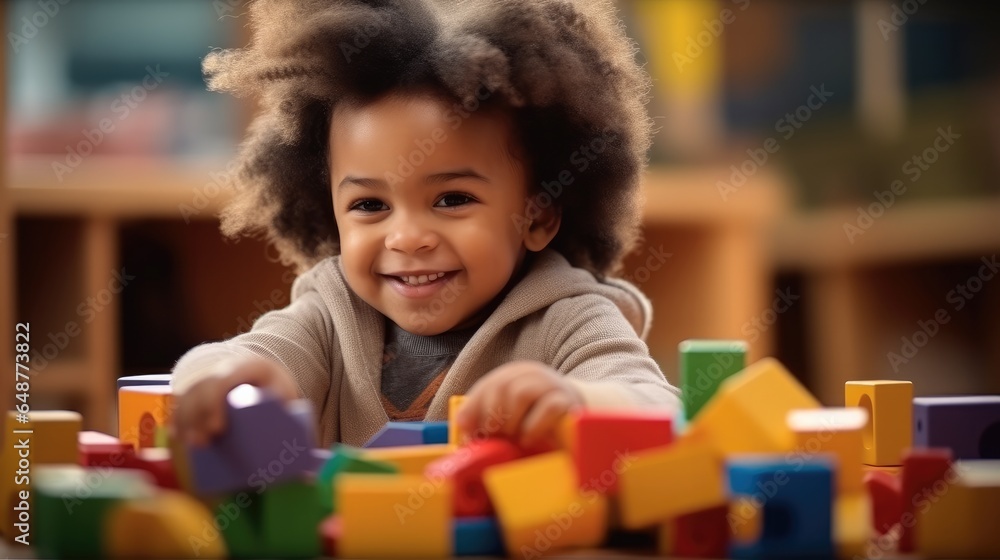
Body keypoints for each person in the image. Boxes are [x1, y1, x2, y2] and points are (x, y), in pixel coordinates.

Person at [170, 0, 681, 451]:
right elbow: (243, 358)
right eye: (370, 205)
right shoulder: (329, 314)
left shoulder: (568, 320)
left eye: (452, 199)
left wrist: (576, 400)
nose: (407, 237)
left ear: (538, 214)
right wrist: (226, 381)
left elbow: (658, 409)